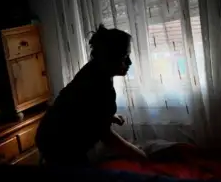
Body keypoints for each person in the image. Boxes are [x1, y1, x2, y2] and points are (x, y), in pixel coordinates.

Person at [36, 25, 147, 166]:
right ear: (109, 57)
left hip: (51, 133)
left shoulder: (96, 70)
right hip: (58, 141)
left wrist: (109, 117)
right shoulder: (97, 84)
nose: (129, 62)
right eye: (125, 56)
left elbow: (86, 110)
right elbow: (107, 137)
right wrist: (138, 155)